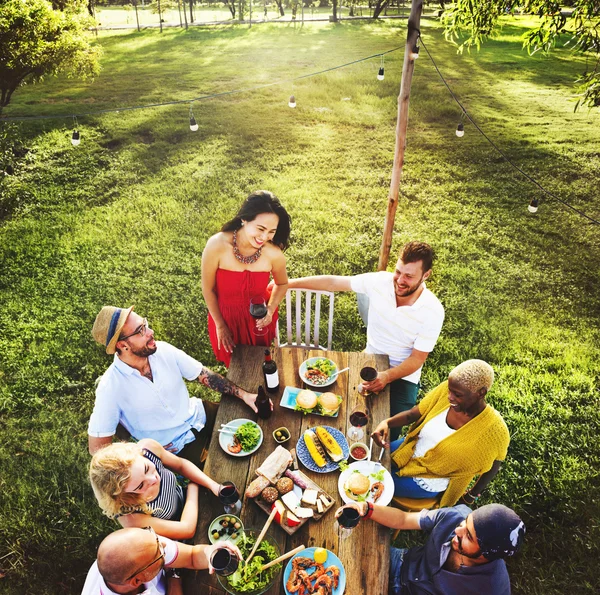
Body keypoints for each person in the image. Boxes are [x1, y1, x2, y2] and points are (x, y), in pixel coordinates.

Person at [286, 241, 444, 433]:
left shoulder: (433, 311)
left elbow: (417, 359)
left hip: (403, 375)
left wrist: (386, 376)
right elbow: (333, 282)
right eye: (398, 271)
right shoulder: (379, 281)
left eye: (409, 276)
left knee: (387, 431)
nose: (400, 280)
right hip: (370, 357)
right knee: (340, 411)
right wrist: (288, 284)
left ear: (425, 275)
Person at [88, 306, 269, 458]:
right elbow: (97, 449)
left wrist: (245, 396)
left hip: (200, 415)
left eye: (145, 325)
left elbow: (203, 375)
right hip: (178, 449)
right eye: (140, 331)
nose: (151, 332)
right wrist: (142, 451)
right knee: (234, 471)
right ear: (122, 345)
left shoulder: (163, 350)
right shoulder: (110, 388)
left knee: (263, 425)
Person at [372, 360, 509, 507]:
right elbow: (413, 414)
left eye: (457, 394)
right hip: (411, 447)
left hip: (429, 477)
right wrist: (387, 423)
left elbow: (495, 464)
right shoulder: (448, 389)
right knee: (367, 461)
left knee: (373, 483)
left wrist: (472, 495)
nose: (450, 396)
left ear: (481, 393)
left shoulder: (495, 430)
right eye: (450, 390)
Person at [334, 501, 525, 595]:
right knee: (338, 559)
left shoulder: (493, 589)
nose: (458, 530)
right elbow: (403, 519)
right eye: (466, 524)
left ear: (487, 554)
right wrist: (367, 509)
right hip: (401, 563)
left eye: (468, 536)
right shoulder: (456, 515)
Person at [201, 190, 291, 367]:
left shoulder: (273, 253)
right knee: (235, 367)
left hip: (258, 320)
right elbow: (208, 289)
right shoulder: (217, 245)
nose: (264, 237)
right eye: (260, 229)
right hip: (226, 319)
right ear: (244, 219)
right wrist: (220, 325)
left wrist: (271, 310)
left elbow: (282, 283)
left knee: (258, 364)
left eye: (272, 231)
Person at [89, 438, 220, 539]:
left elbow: (181, 465)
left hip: (196, 500)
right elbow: (186, 530)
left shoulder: (148, 449)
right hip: (189, 534)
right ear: (123, 495)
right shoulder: (130, 515)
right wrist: (192, 487)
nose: (153, 479)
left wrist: (214, 485)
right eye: (140, 485)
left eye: (146, 468)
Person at [81, 526, 241, 595]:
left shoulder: (146, 545)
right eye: (160, 554)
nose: (165, 545)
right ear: (137, 580)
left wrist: (209, 551)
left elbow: (191, 556)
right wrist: (173, 578)